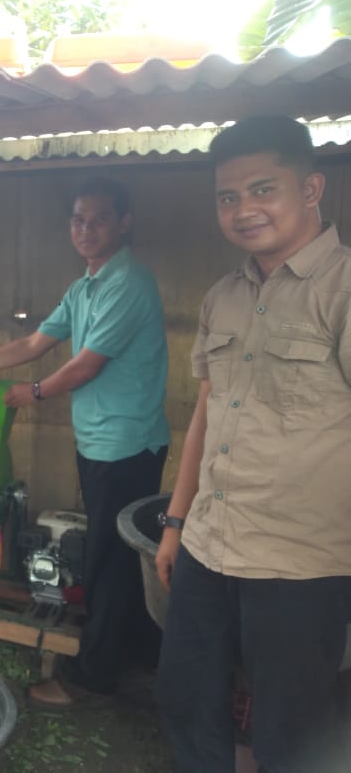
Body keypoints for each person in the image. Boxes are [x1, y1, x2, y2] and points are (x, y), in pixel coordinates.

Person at [154, 116, 351, 773]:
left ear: (312, 188)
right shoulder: (223, 298)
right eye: (228, 197)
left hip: (302, 564)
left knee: (290, 736)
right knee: (187, 703)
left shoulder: (343, 291)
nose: (243, 210)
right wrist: (177, 522)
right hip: (210, 545)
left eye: (263, 189)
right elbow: (207, 414)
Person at [0, 176, 170, 705]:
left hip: (127, 443)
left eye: (100, 218)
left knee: (111, 560)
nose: (86, 229)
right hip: (99, 441)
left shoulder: (127, 282)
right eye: (78, 219)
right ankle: (136, 653)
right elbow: (34, 341)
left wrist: (32, 392)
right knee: (116, 556)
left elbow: (86, 366)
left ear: (124, 222)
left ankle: (91, 680)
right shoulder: (84, 285)